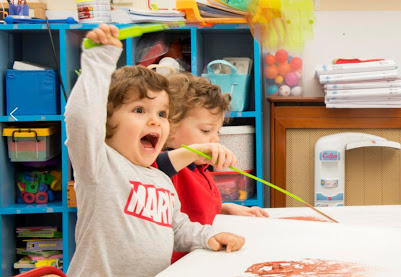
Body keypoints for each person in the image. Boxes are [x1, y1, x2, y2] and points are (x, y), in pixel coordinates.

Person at [64, 24, 245, 277]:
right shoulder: (100, 165)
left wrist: (210, 236)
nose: (155, 121)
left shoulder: (161, 179)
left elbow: (178, 229)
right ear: (105, 123)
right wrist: (99, 60)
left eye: (162, 114)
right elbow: (81, 120)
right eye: (139, 110)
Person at [153, 73, 268, 263]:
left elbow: (193, 209)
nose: (215, 139)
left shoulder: (200, 168)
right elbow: (159, 167)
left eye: (218, 132)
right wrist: (193, 151)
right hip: (176, 265)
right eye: (206, 131)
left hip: (202, 255)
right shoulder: (165, 167)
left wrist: (222, 208)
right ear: (169, 127)